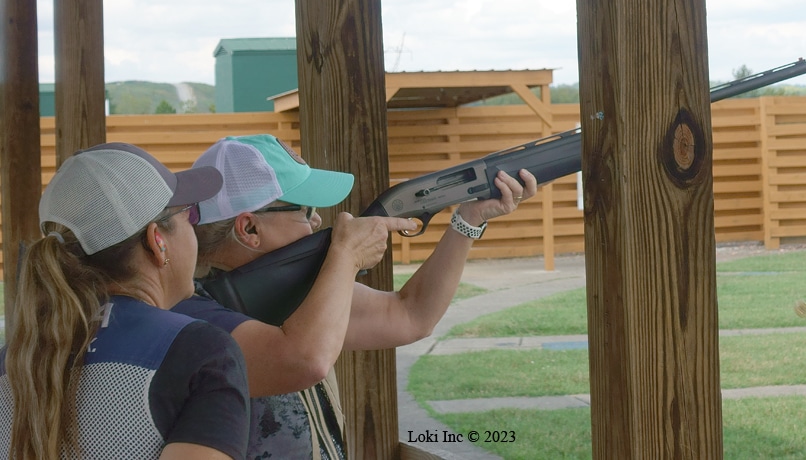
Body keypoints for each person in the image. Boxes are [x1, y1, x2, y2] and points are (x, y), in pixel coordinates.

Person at [173, 134, 537, 459]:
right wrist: (345, 258)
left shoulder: (296, 293)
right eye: (306, 211)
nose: (318, 222)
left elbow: (411, 316)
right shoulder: (189, 314)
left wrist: (468, 219)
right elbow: (302, 361)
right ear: (250, 227)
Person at [0, 143, 251, 460]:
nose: (194, 228)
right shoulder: (201, 350)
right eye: (190, 214)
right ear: (156, 239)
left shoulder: (15, 358)